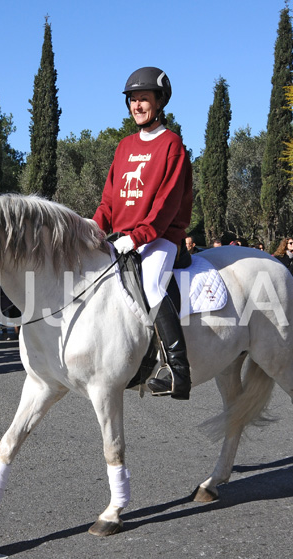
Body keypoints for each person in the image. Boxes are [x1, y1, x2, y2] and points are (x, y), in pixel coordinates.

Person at [92, 66, 193, 400]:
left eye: (144, 99)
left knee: (150, 285)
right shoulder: (124, 147)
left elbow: (165, 204)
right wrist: (94, 228)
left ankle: (178, 370)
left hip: (160, 236)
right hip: (122, 236)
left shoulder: (172, 145)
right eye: (133, 100)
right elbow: (109, 200)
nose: (137, 105)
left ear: (159, 102)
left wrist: (138, 237)